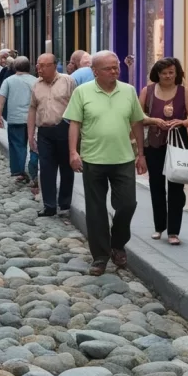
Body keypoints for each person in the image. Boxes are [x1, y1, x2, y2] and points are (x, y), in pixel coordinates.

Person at [64, 50, 147, 276]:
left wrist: (141, 154)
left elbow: (137, 123)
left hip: (123, 159)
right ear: (95, 72)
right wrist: (73, 152)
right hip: (93, 158)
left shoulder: (128, 91)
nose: (114, 71)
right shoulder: (82, 92)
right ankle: (100, 256)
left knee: (128, 204)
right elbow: (75, 124)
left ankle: (117, 243)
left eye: (116, 67)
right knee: (96, 210)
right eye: (108, 68)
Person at [139, 57, 188, 245]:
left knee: (176, 187)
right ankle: (159, 227)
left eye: (171, 72)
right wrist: (154, 121)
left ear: (177, 73)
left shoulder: (184, 92)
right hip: (154, 144)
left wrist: (181, 122)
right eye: (164, 73)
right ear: (157, 74)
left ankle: (174, 231)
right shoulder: (147, 91)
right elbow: (138, 116)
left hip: (177, 143)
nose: (168, 76)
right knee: (156, 186)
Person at [28, 53, 77, 217]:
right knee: (46, 168)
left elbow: (77, 106)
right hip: (44, 131)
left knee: (66, 168)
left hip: (64, 128)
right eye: (38, 65)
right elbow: (32, 108)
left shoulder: (68, 81)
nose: (39, 68)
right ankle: (49, 205)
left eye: (43, 65)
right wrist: (30, 134)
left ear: (54, 65)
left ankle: (64, 204)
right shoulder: (37, 84)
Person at [0, 57, 37, 181]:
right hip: (32, 119)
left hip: (15, 118)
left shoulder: (8, 80)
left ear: (14, 67)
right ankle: (33, 170)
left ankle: (19, 171)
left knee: (17, 145)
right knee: (34, 144)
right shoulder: (35, 81)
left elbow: (1, 99)